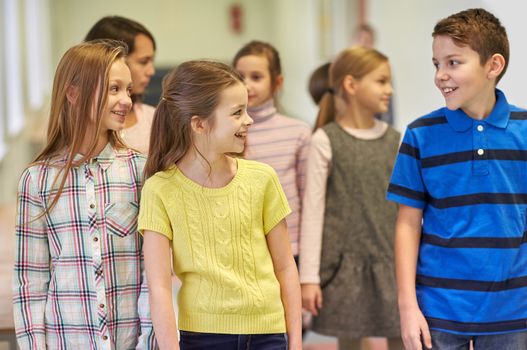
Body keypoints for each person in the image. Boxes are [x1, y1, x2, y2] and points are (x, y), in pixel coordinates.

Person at [387, 8, 527, 350]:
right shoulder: (420, 135)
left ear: (493, 66)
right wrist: (408, 308)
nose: (440, 75)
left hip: (513, 312)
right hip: (437, 311)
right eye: (436, 64)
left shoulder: (524, 130)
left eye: (453, 62)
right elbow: (407, 225)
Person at [138, 60, 302, 349]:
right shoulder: (159, 189)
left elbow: (286, 267)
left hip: (269, 334)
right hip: (202, 338)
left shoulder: (263, 178)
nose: (249, 120)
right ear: (199, 124)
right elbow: (159, 286)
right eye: (237, 113)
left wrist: (297, 344)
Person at [13, 40, 155, 349]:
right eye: (113, 89)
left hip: (131, 342)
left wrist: (148, 343)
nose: (126, 101)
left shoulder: (141, 172)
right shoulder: (36, 180)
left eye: (128, 90)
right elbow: (31, 283)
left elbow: (152, 276)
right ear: (73, 94)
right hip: (67, 340)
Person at [299, 46, 404, 350]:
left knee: (402, 336)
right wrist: (309, 277)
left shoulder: (396, 140)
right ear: (351, 84)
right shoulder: (325, 141)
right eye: (381, 81)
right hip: (345, 269)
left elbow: (408, 211)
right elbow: (314, 213)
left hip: (391, 264)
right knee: (351, 341)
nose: (390, 90)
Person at [232, 40, 311, 261]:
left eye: (256, 77)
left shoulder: (299, 132)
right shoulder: (225, 132)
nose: (247, 85)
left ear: (277, 82)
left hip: (290, 250)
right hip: (243, 251)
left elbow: (308, 201)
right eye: (240, 77)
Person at [85, 16, 156, 154]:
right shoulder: (78, 130)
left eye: (151, 61)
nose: (151, 71)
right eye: (143, 61)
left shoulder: (153, 120)